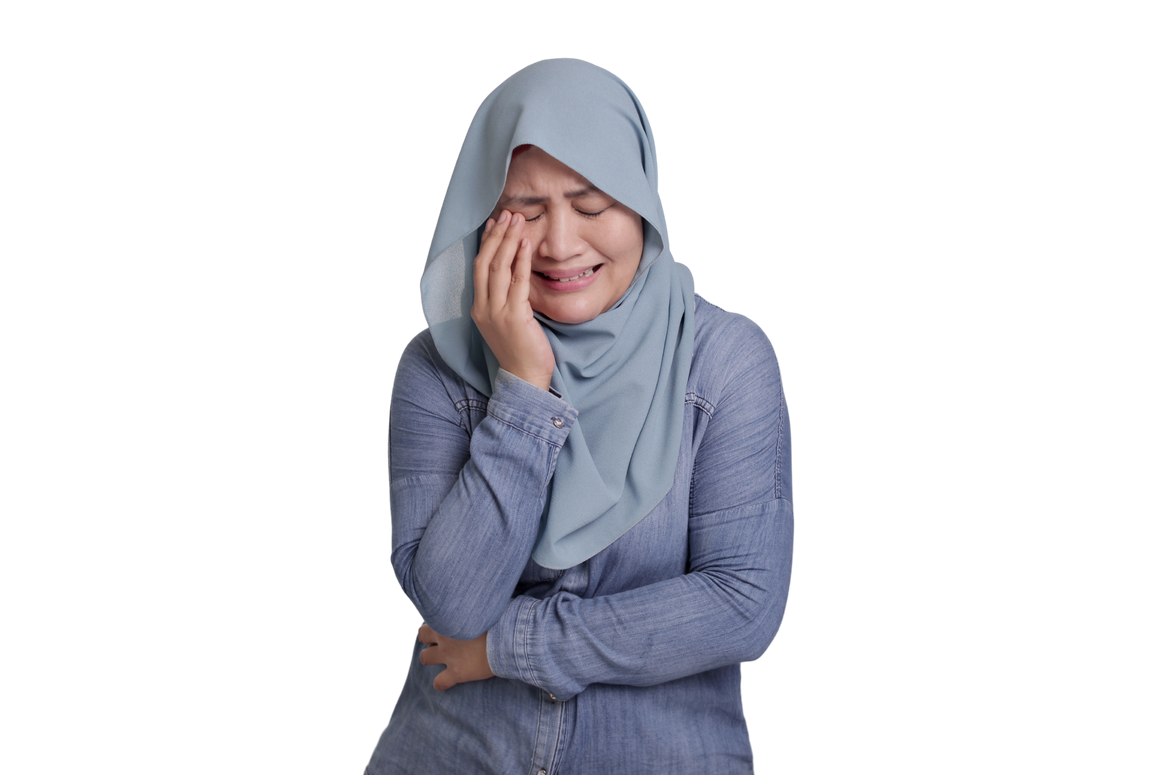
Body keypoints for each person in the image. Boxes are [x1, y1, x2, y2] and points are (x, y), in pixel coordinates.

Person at [370, 58, 793, 774]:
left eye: (592, 206)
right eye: (525, 211)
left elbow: (740, 605)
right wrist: (522, 390)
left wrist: (506, 647)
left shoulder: (725, 361)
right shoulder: (436, 367)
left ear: (642, 203)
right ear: (483, 212)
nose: (561, 244)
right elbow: (452, 605)